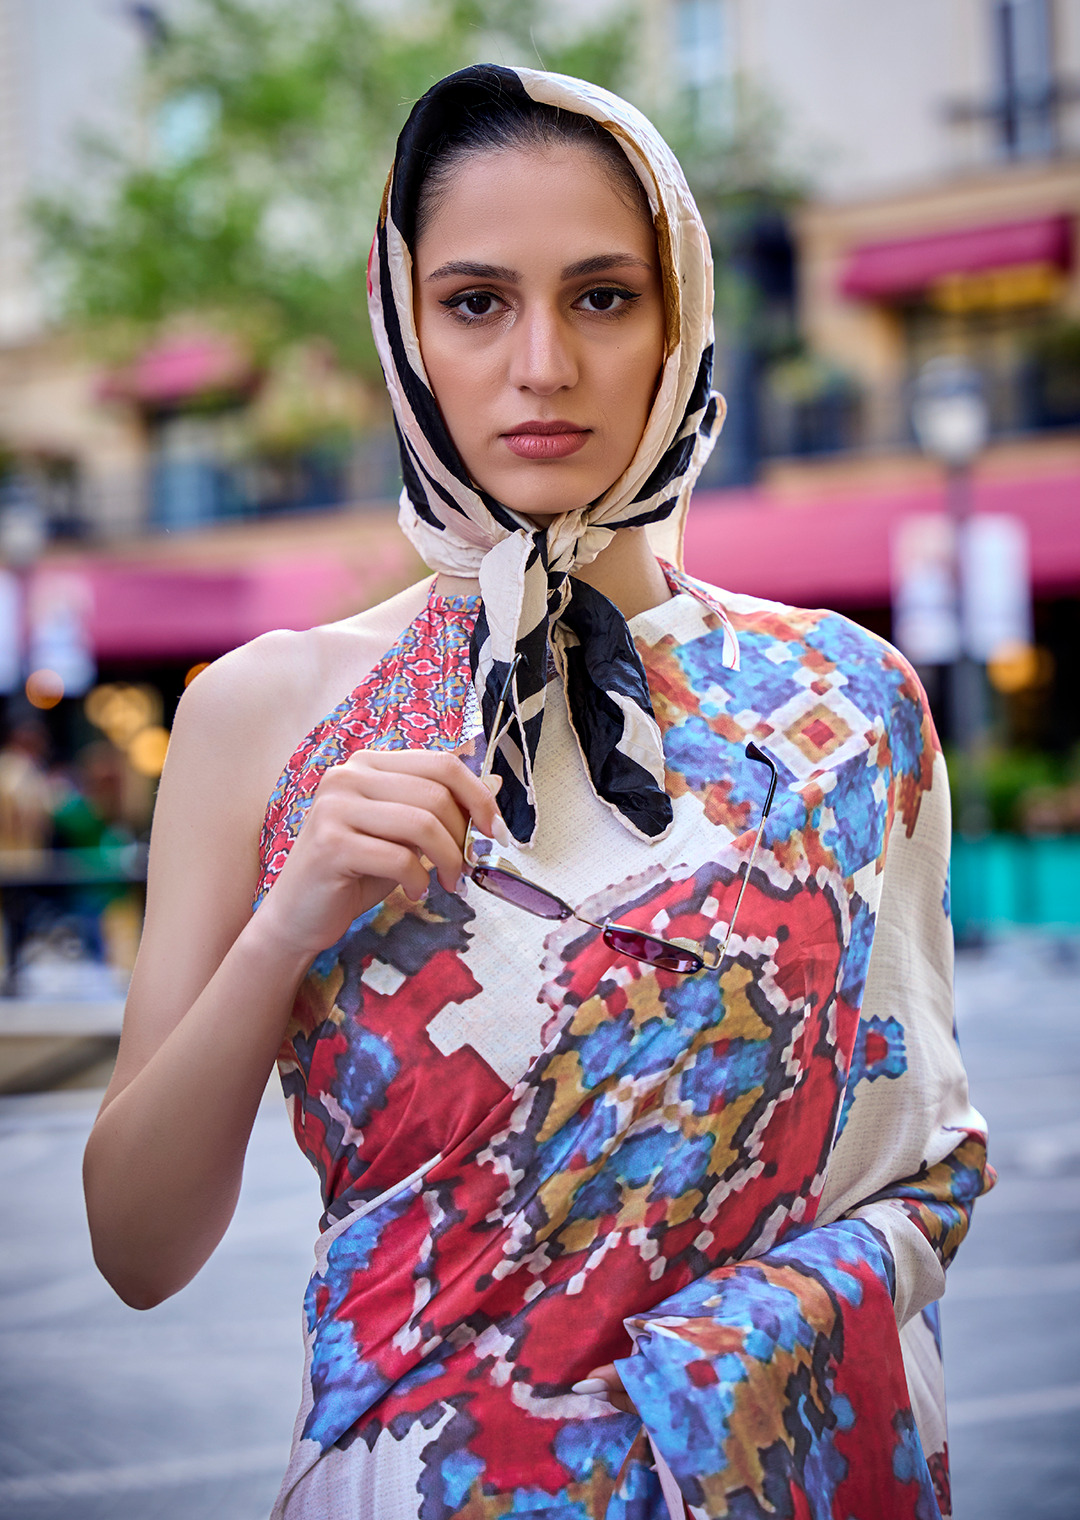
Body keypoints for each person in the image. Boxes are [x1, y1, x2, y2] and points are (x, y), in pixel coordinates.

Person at [83, 66, 992, 1520]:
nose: (543, 367)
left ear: (681, 314)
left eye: (603, 297)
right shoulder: (267, 710)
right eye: (478, 301)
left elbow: (919, 1175)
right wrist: (285, 927)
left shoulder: (848, 705)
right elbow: (134, 1247)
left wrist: (696, 1397)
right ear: (405, 325)